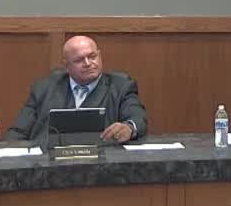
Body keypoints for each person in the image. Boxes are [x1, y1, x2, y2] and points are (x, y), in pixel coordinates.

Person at [9, 35, 148, 144]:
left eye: (92, 57)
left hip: (100, 162)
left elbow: (138, 119)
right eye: (79, 60)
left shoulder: (121, 86)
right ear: (66, 65)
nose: (88, 63)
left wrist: (129, 128)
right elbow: (18, 132)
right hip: (47, 163)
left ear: (99, 55)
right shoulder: (44, 88)